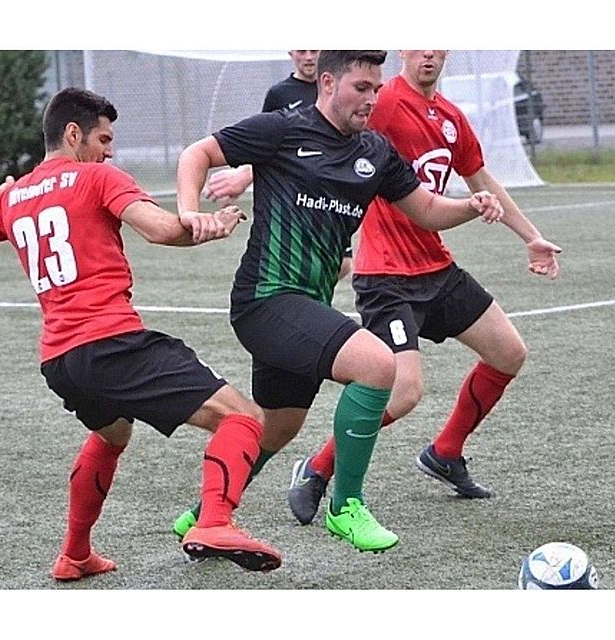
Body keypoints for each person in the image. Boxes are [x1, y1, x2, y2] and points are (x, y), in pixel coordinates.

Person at [172, 51, 506, 553]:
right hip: (264, 299)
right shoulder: (282, 130)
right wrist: (188, 211)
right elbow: (196, 154)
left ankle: (206, 512)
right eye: (361, 87)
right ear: (327, 83)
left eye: (376, 88)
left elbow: (428, 211)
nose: (372, 99)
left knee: (278, 427)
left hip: (305, 304)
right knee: (376, 365)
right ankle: (345, 506)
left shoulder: (375, 152)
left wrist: (470, 206)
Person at [0, 87, 281, 580]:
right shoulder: (97, 177)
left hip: (59, 361)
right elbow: (159, 229)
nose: (109, 150)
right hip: (109, 342)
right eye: (104, 138)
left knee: (111, 434)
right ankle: (215, 522)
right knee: (243, 416)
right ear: (73, 134)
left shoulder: (11, 196)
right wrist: (209, 223)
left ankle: (74, 554)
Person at [287, 50, 563, 524]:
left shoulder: (451, 117)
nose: (429, 51)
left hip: (436, 269)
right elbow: (325, 134)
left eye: (438, 42)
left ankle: (445, 452)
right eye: (419, 41)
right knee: (404, 391)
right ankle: (316, 468)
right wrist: (250, 171)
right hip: (386, 277)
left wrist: (531, 236)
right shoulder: (386, 101)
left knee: (508, 353)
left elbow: (481, 177)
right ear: (403, 49)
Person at [202, 50, 354, 282]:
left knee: (342, 263)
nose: (309, 56)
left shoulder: (342, 90)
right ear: (290, 51)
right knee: (293, 258)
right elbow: (266, 146)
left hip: (333, 193)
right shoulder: (280, 94)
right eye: (302, 50)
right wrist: (244, 174)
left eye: (314, 50)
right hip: (294, 197)